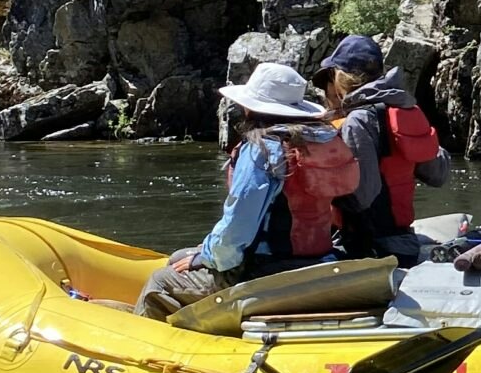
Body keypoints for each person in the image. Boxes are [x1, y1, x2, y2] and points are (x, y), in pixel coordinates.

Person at [135, 61, 358, 325]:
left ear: (250, 107)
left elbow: (236, 231)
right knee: (181, 257)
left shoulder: (263, 149)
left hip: (266, 270)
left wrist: (206, 256)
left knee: (160, 281)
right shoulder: (325, 141)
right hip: (320, 258)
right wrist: (202, 251)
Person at [318, 33, 454, 260]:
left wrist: (322, 193)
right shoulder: (403, 110)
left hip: (367, 248)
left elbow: (363, 196)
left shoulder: (358, 120)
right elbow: (438, 174)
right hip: (404, 242)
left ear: (341, 77)